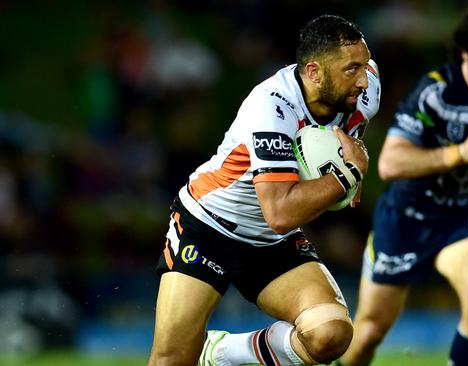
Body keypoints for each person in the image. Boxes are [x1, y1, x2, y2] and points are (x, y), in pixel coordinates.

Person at [147, 14, 381, 366]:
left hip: (269, 243)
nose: (363, 80)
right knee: (170, 361)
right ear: (314, 72)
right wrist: (346, 176)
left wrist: (341, 180)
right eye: (351, 70)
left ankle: (220, 354)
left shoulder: (365, 90)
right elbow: (281, 214)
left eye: (364, 65)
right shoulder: (271, 107)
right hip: (208, 226)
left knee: (329, 334)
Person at [337, 2, 468, 366]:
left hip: (463, 216)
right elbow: (390, 163)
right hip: (406, 218)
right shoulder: (435, 93)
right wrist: (462, 152)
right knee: (368, 331)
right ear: (465, 51)